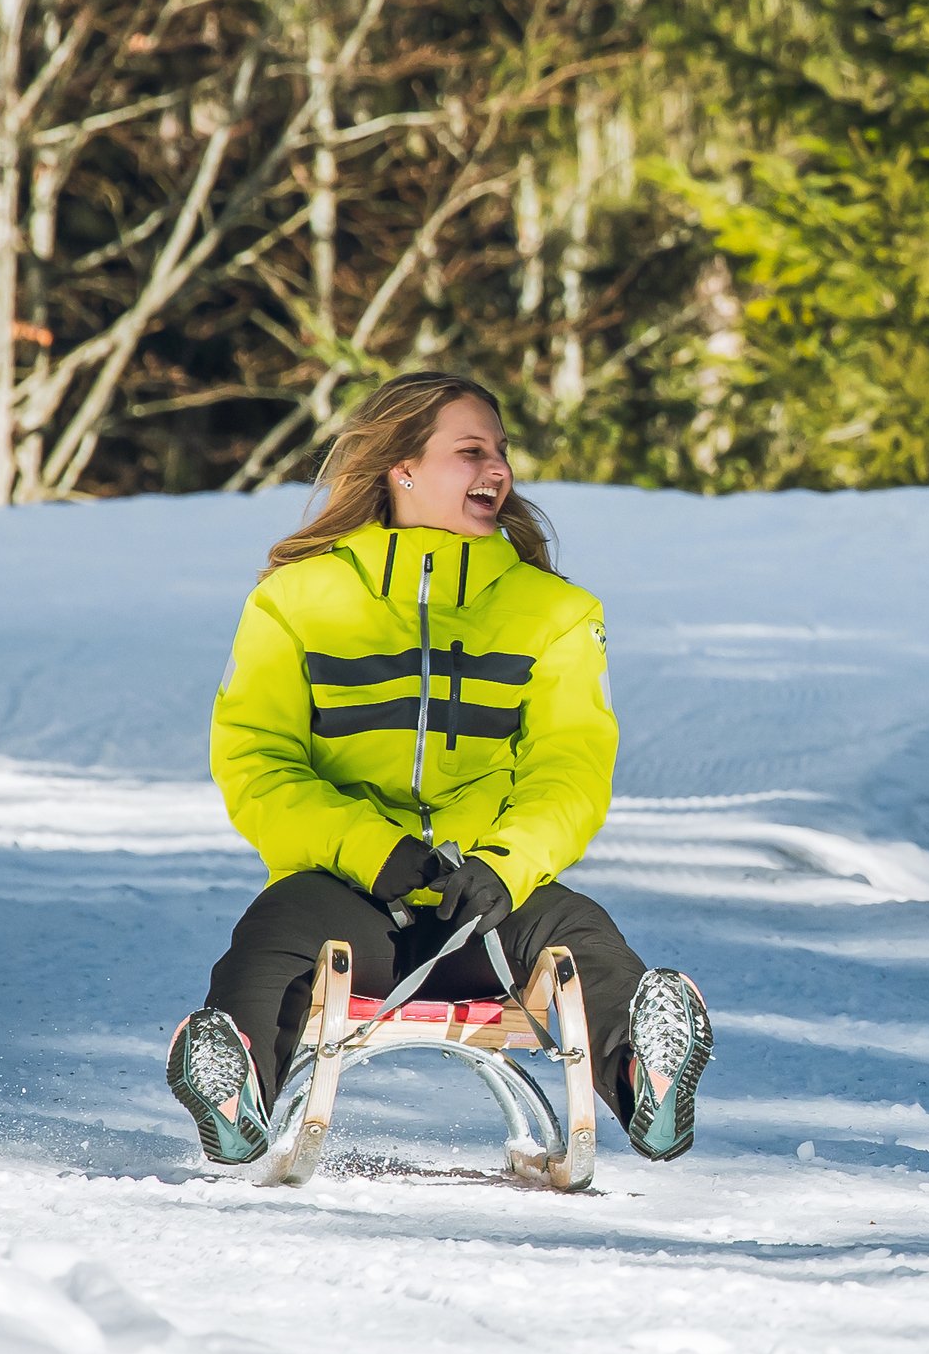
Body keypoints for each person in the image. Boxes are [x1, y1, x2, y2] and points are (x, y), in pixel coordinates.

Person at [163, 371, 713, 1167]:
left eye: (501, 451)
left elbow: (571, 768)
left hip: (487, 911)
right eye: (470, 451)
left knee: (577, 931)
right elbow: (258, 760)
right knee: (279, 929)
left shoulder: (555, 612)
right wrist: (370, 851)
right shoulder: (296, 600)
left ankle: (647, 1073)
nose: (497, 470)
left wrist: (504, 866)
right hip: (354, 903)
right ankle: (235, 1079)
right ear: (402, 467)